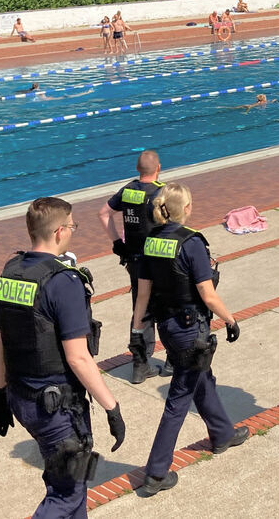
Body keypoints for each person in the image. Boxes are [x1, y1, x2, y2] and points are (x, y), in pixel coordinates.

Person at [0, 197, 126, 517]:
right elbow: (78, 358)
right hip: (57, 407)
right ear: (60, 231)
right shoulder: (63, 281)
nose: (73, 232)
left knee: (73, 488)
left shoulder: (11, 272)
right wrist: (111, 406)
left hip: (22, 397)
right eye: (73, 226)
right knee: (65, 493)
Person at [132, 183, 249, 496]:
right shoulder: (191, 242)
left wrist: (135, 331)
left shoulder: (150, 241)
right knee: (179, 397)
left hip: (167, 326)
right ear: (185, 208)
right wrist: (230, 319)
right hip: (190, 328)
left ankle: (223, 434)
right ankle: (156, 472)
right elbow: (207, 294)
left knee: (200, 377)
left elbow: (142, 293)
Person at [98, 150, 167, 383]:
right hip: (159, 260)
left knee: (141, 309)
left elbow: (104, 213)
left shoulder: (128, 190)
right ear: (158, 167)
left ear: (138, 169)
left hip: (135, 260)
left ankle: (140, 364)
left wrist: (118, 242)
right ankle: (174, 360)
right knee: (168, 307)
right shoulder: (161, 191)